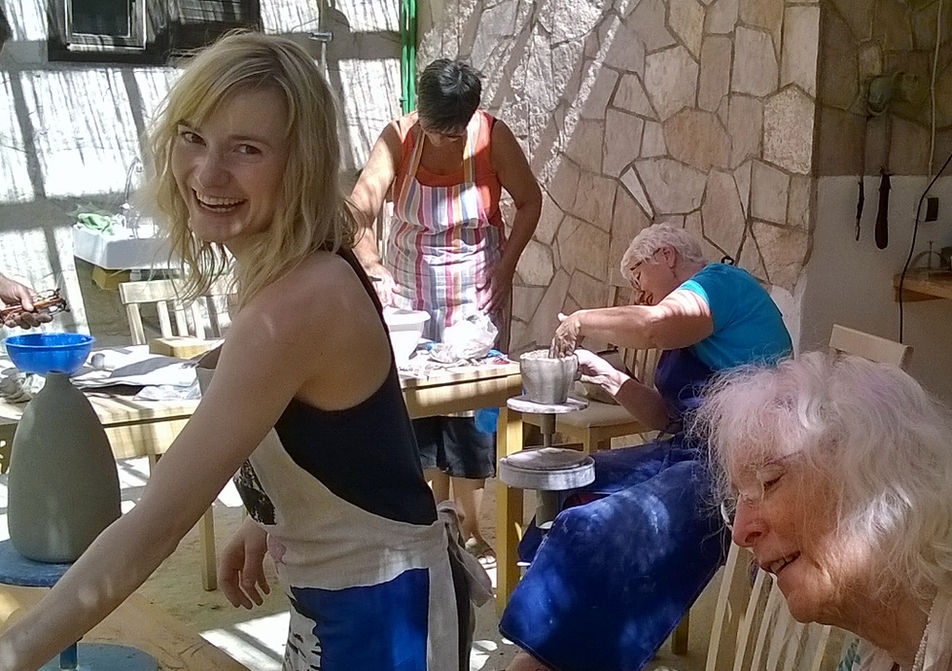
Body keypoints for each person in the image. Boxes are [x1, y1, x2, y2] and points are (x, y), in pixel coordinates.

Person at [0, 32, 467, 671]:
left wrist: (14, 649)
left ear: (298, 163)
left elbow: (156, 524)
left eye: (246, 149)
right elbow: (348, 443)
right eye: (192, 136)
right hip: (346, 599)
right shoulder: (288, 269)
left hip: (385, 611)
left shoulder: (298, 302)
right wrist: (273, 515)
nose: (208, 173)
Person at [501, 222, 793, 671]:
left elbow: (653, 327)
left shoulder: (718, 285)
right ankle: (575, 638)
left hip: (738, 466)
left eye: (639, 278)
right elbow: (667, 418)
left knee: (599, 525)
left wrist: (582, 320)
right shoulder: (691, 320)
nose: (639, 296)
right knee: (576, 479)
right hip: (690, 448)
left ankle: (564, 656)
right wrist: (609, 376)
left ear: (667, 256)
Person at [349, 58, 542, 565]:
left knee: (470, 405)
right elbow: (358, 210)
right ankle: (432, 518)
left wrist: (507, 266)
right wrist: (372, 266)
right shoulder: (398, 139)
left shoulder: (493, 139)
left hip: (476, 289)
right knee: (417, 402)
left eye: (452, 132)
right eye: (435, 130)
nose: (442, 141)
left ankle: (472, 528)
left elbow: (529, 201)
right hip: (409, 289)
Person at [696, 351, 952, 671]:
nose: (741, 532)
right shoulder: (875, 653)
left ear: (875, 479)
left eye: (769, 482)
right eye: (738, 502)